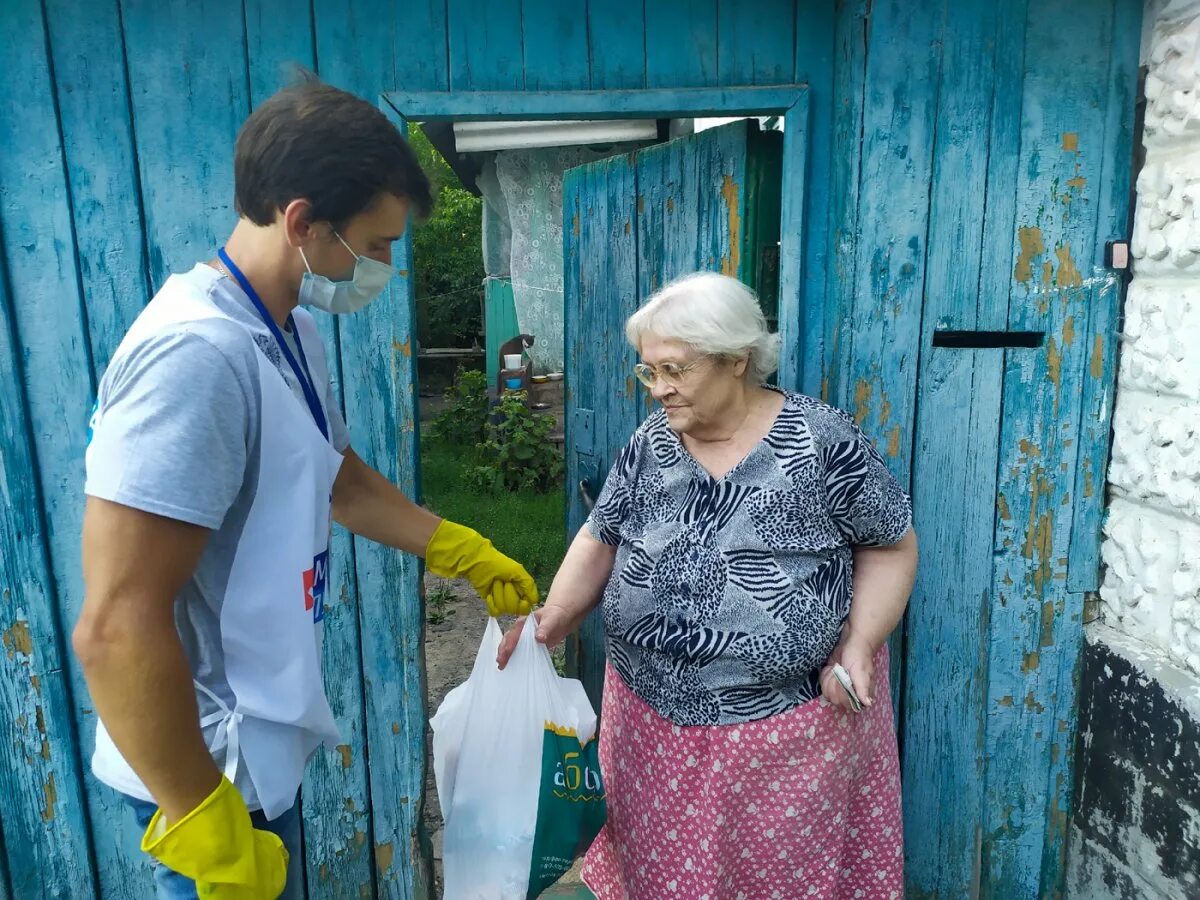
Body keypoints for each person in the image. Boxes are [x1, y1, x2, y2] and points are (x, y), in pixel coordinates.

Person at [73, 77, 537, 899]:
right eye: (379, 242)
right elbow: (115, 623)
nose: (388, 266)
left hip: (257, 752)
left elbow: (332, 474)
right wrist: (206, 829)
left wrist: (457, 547)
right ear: (301, 222)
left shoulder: (289, 328)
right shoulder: (196, 358)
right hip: (204, 777)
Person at [499, 272, 918, 898]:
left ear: (735, 360)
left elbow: (890, 546)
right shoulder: (650, 442)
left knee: (775, 879)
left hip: (786, 735)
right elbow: (601, 536)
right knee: (661, 877)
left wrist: (858, 643)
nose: (659, 390)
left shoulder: (820, 440)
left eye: (675, 370)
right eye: (648, 373)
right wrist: (555, 614)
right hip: (648, 723)